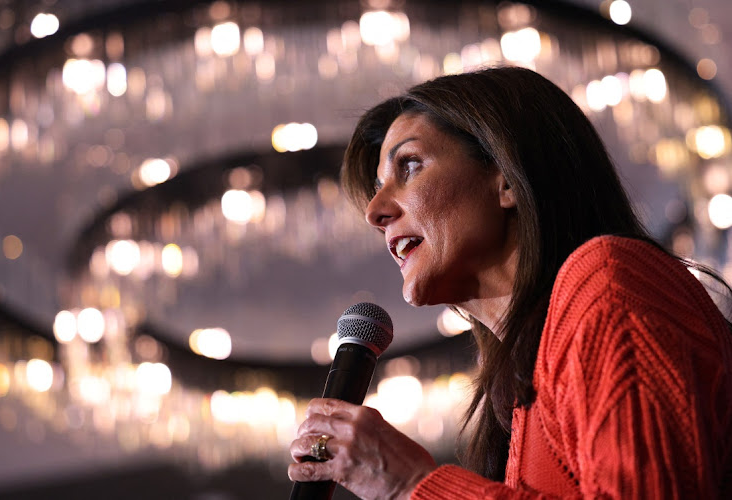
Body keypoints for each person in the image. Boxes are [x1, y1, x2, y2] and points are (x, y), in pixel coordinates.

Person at [288, 66, 732, 499]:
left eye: (409, 166)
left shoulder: (608, 279)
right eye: (378, 188)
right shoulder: (518, 400)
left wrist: (411, 485)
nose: (375, 212)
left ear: (506, 178)